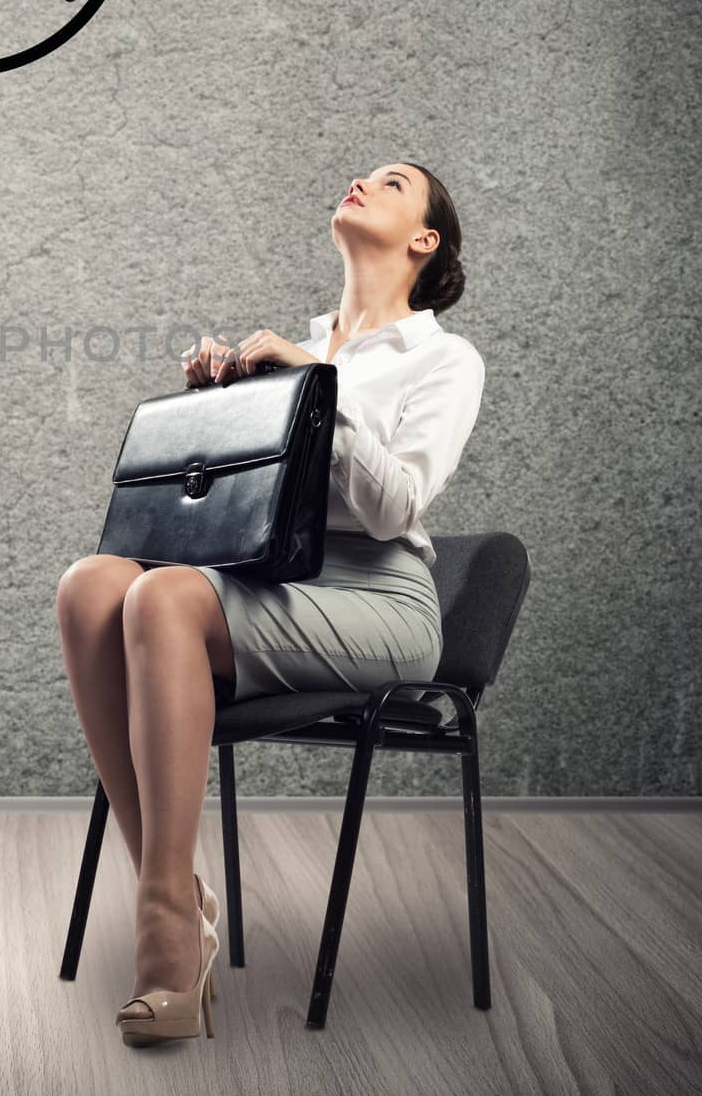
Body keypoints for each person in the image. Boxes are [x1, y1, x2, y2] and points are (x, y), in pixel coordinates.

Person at [55, 161, 486, 1045]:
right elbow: (234, 519)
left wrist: (314, 392)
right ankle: (172, 890)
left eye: (393, 182)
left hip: (380, 600)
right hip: (269, 585)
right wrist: (223, 408)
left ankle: (165, 933)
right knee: (92, 583)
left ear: (424, 239)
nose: (363, 181)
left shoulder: (444, 359)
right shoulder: (299, 345)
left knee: (163, 602)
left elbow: (396, 507)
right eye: (363, 174)